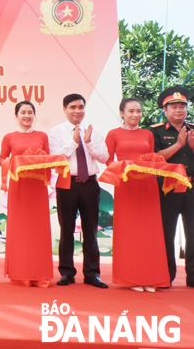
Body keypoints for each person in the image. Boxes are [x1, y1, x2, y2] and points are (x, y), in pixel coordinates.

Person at [106, 98, 170, 292]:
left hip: (147, 185)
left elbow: (152, 157)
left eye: (139, 111)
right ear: (122, 113)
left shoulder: (148, 134)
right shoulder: (113, 134)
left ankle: (151, 277)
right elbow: (109, 161)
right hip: (126, 185)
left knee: (149, 233)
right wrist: (126, 168)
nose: (136, 115)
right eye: (131, 111)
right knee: (129, 232)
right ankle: (131, 277)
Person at [48, 93, 109, 288]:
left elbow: (104, 157)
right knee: (66, 229)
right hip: (67, 183)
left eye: (81, 107)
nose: (77, 111)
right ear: (64, 109)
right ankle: (67, 273)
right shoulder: (56, 132)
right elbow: (56, 158)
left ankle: (92, 274)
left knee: (90, 230)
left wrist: (88, 142)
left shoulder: (94, 131)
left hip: (90, 183)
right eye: (73, 107)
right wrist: (74, 142)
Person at [0, 101, 52, 287]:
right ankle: (21, 273)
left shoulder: (42, 136)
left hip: (37, 187)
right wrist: (16, 161)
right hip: (19, 187)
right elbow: (2, 159)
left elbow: (48, 158)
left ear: (34, 115)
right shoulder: (9, 137)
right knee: (20, 229)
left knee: (39, 229)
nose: (27, 116)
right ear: (16, 115)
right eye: (23, 112)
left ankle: (40, 274)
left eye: (30, 112)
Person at [149, 86, 194, 288]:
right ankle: (166, 276)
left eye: (182, 107)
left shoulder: (193, 129)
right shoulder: (155, 131)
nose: (179, 111)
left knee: (192, 232)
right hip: (168, 187)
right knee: (166, 232)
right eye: (174, 107)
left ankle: (192, 277)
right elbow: (155, 159)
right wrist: (177, 144)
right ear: (165, 111)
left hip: (192, 187)